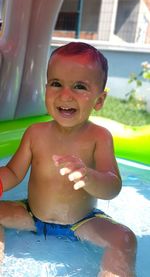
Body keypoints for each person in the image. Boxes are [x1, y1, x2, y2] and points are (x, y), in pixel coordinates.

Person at [0, 42, 137, 276]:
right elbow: (13, 172)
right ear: (45, 89)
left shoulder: (99, 137)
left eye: (79, 86)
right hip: (32, 215)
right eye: (56, 84)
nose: (65, 95)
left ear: (99, 101)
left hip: (82, 222)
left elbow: (112, 186)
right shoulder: (35, 133)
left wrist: (89, 177)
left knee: (124, 239)